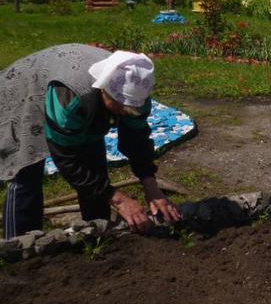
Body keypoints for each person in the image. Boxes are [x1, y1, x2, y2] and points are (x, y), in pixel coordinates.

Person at [1, 43, 181, 240]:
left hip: (79, 94)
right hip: (25, 93)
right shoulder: (71, 96)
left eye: (131, 107)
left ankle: (97, 235)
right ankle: (20, 245)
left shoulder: (135, 93)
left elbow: (136, 141)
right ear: (104, 89)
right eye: (120, 104)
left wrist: (152, 188)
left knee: (94, 163)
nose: (124, 111)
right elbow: (68, 159)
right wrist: (119, 201)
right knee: (27, 173)